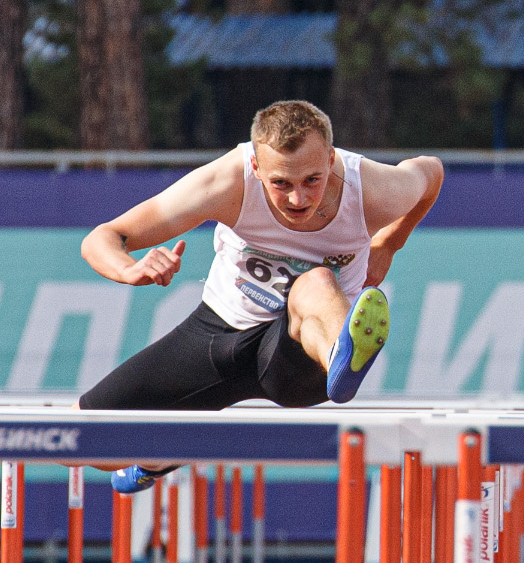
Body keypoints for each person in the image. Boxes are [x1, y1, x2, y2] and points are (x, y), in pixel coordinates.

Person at [79, 100, 444, 490]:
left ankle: (342, 356)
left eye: (312, 181)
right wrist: (128, 269)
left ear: (332, 159)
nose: (298, 199)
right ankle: (165, 454)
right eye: (281, 184)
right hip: (218, 333)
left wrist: (389, 243)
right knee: (83, 443)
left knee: (316, 283)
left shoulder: (372, 190)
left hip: (297, 354)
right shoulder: (226, 182)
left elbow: (431, 173)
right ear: (256, 168)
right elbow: (104, 237)